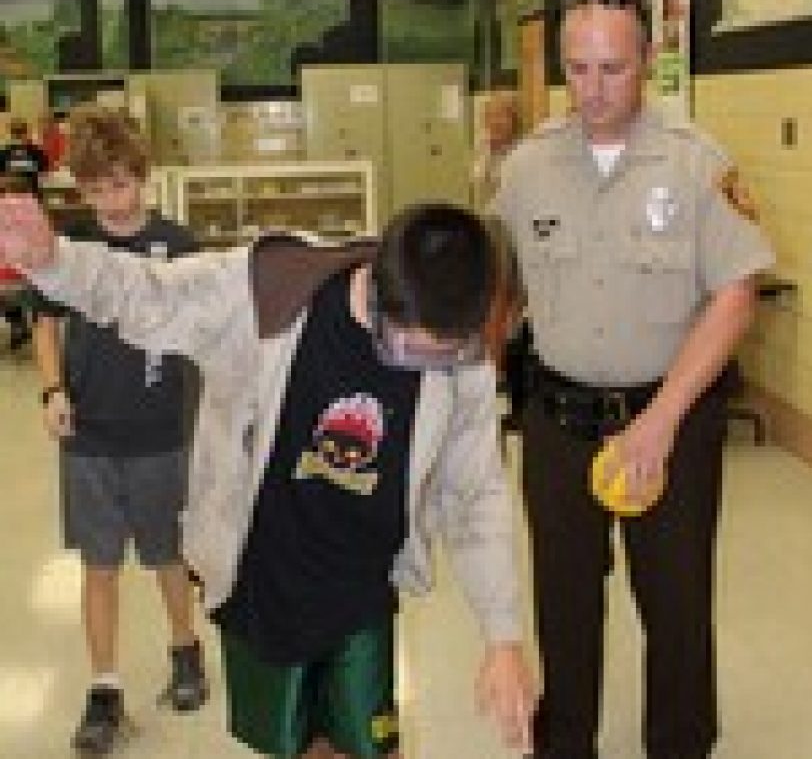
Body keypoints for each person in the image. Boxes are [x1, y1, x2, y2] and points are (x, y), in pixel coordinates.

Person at [0, 192, 535, 758]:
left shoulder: (461, 352)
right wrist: (53, 259)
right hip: (263, 577)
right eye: (410, 351)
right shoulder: (268, 290)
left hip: (363, 586)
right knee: (291, 748)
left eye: (443, 357)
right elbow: (146, 294)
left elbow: (476, 492)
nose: (426, 370)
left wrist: (502, 635)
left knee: (373, 748)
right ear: (378, 294)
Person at [490, 0, 775, 759]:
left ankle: (680, 746)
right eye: (576, 69)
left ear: (648, 58)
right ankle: (565, 744)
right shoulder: (525, 170)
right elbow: (502, 288)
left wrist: (662, 418)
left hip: (670, 422)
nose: (592, 89)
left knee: (678, 609)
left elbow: (735, 296)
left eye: (612, 68)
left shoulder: (696, 165)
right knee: (565, 604)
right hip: (557, 423)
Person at [29, 106, 207, 755]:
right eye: (95, 190)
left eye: (121, 185)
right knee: (98, 565)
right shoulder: (68, 248)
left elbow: (206, 325)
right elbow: (45, 320)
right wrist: (52, 389)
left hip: (161, 430)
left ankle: (185, 649)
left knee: (167, 554)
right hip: (90, 434)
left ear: (143, 177)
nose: (109, 201)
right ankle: (104, 689)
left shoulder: (179, 244)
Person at [0, 118, 49, 349]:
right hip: (30, 276)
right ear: (27, 130)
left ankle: (16, 322)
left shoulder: (4, 153)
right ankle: (37, 324)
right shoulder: (36, 152)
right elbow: (47, 172)